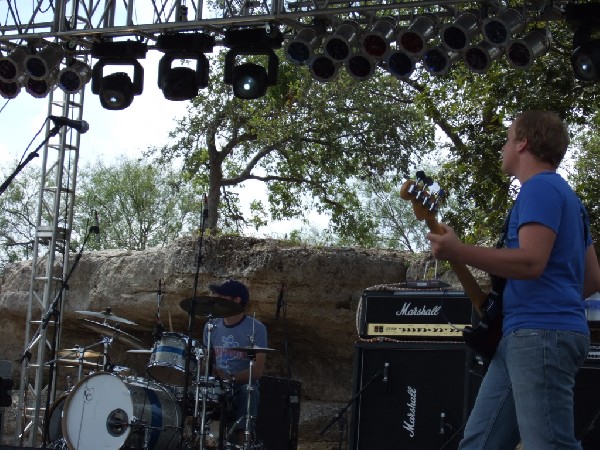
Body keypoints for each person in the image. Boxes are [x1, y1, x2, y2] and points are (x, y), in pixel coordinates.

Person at [426, 110, 600, 450]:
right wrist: (552, 299)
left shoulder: (539, 189)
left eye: (507, 139)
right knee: (479, 444)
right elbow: (593, 277)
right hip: (524, 334)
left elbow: (532, 261)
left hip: (540, 336)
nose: (503, 147)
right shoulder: (569, 199)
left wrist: (459, 250)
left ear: (524, 143)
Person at [202, 279, 268, 446]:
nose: (216, 298)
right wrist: (205, 365)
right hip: (216, 385)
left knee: (249, 391)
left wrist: (230, 378)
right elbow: (206, 362)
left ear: (236, 300)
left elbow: (257, 371)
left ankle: (243, 443)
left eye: (221, 295)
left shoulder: (255, 329)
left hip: (240, 386)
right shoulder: (211, 326)